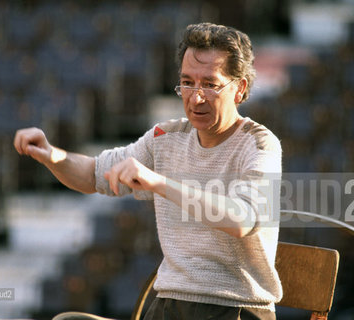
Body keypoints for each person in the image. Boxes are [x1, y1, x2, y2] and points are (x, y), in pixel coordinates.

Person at [14, 23, 282, 320]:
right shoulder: (164, 137)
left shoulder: (259, 143)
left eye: (210, 84)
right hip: (168, 306)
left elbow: (242, 219)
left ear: (240, 88)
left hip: (235, 309)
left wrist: (159, 183)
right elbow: (93, 174)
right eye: (188, 82)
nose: (195, 98)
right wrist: (52, 155)